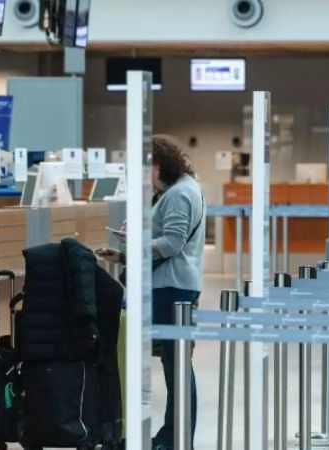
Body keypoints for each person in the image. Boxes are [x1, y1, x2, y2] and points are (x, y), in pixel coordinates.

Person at [96, 136, 205, 450]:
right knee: (174, 364)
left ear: (159, 164)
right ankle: (172, 436)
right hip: (171, 285)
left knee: (177, 365)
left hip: (173, 289)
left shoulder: (181, 193)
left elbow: (172, 244)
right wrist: (124, 256)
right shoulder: (176, 190)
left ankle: (177, 438)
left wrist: (135, 245)